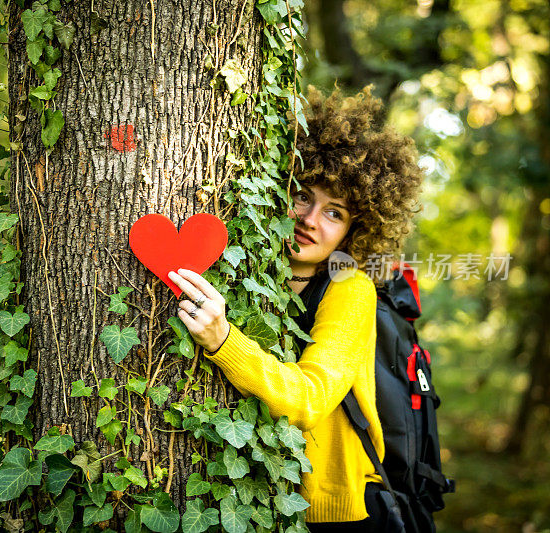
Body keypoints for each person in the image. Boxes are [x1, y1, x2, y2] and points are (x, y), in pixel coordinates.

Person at [167, 84, 423, 531]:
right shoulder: (256, 268)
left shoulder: (351, 289)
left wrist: (224, 341)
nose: (309, 220)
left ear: (355, 230)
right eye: (304, 196)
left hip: (333, 515)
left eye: (334, 213)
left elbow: (309, 399)